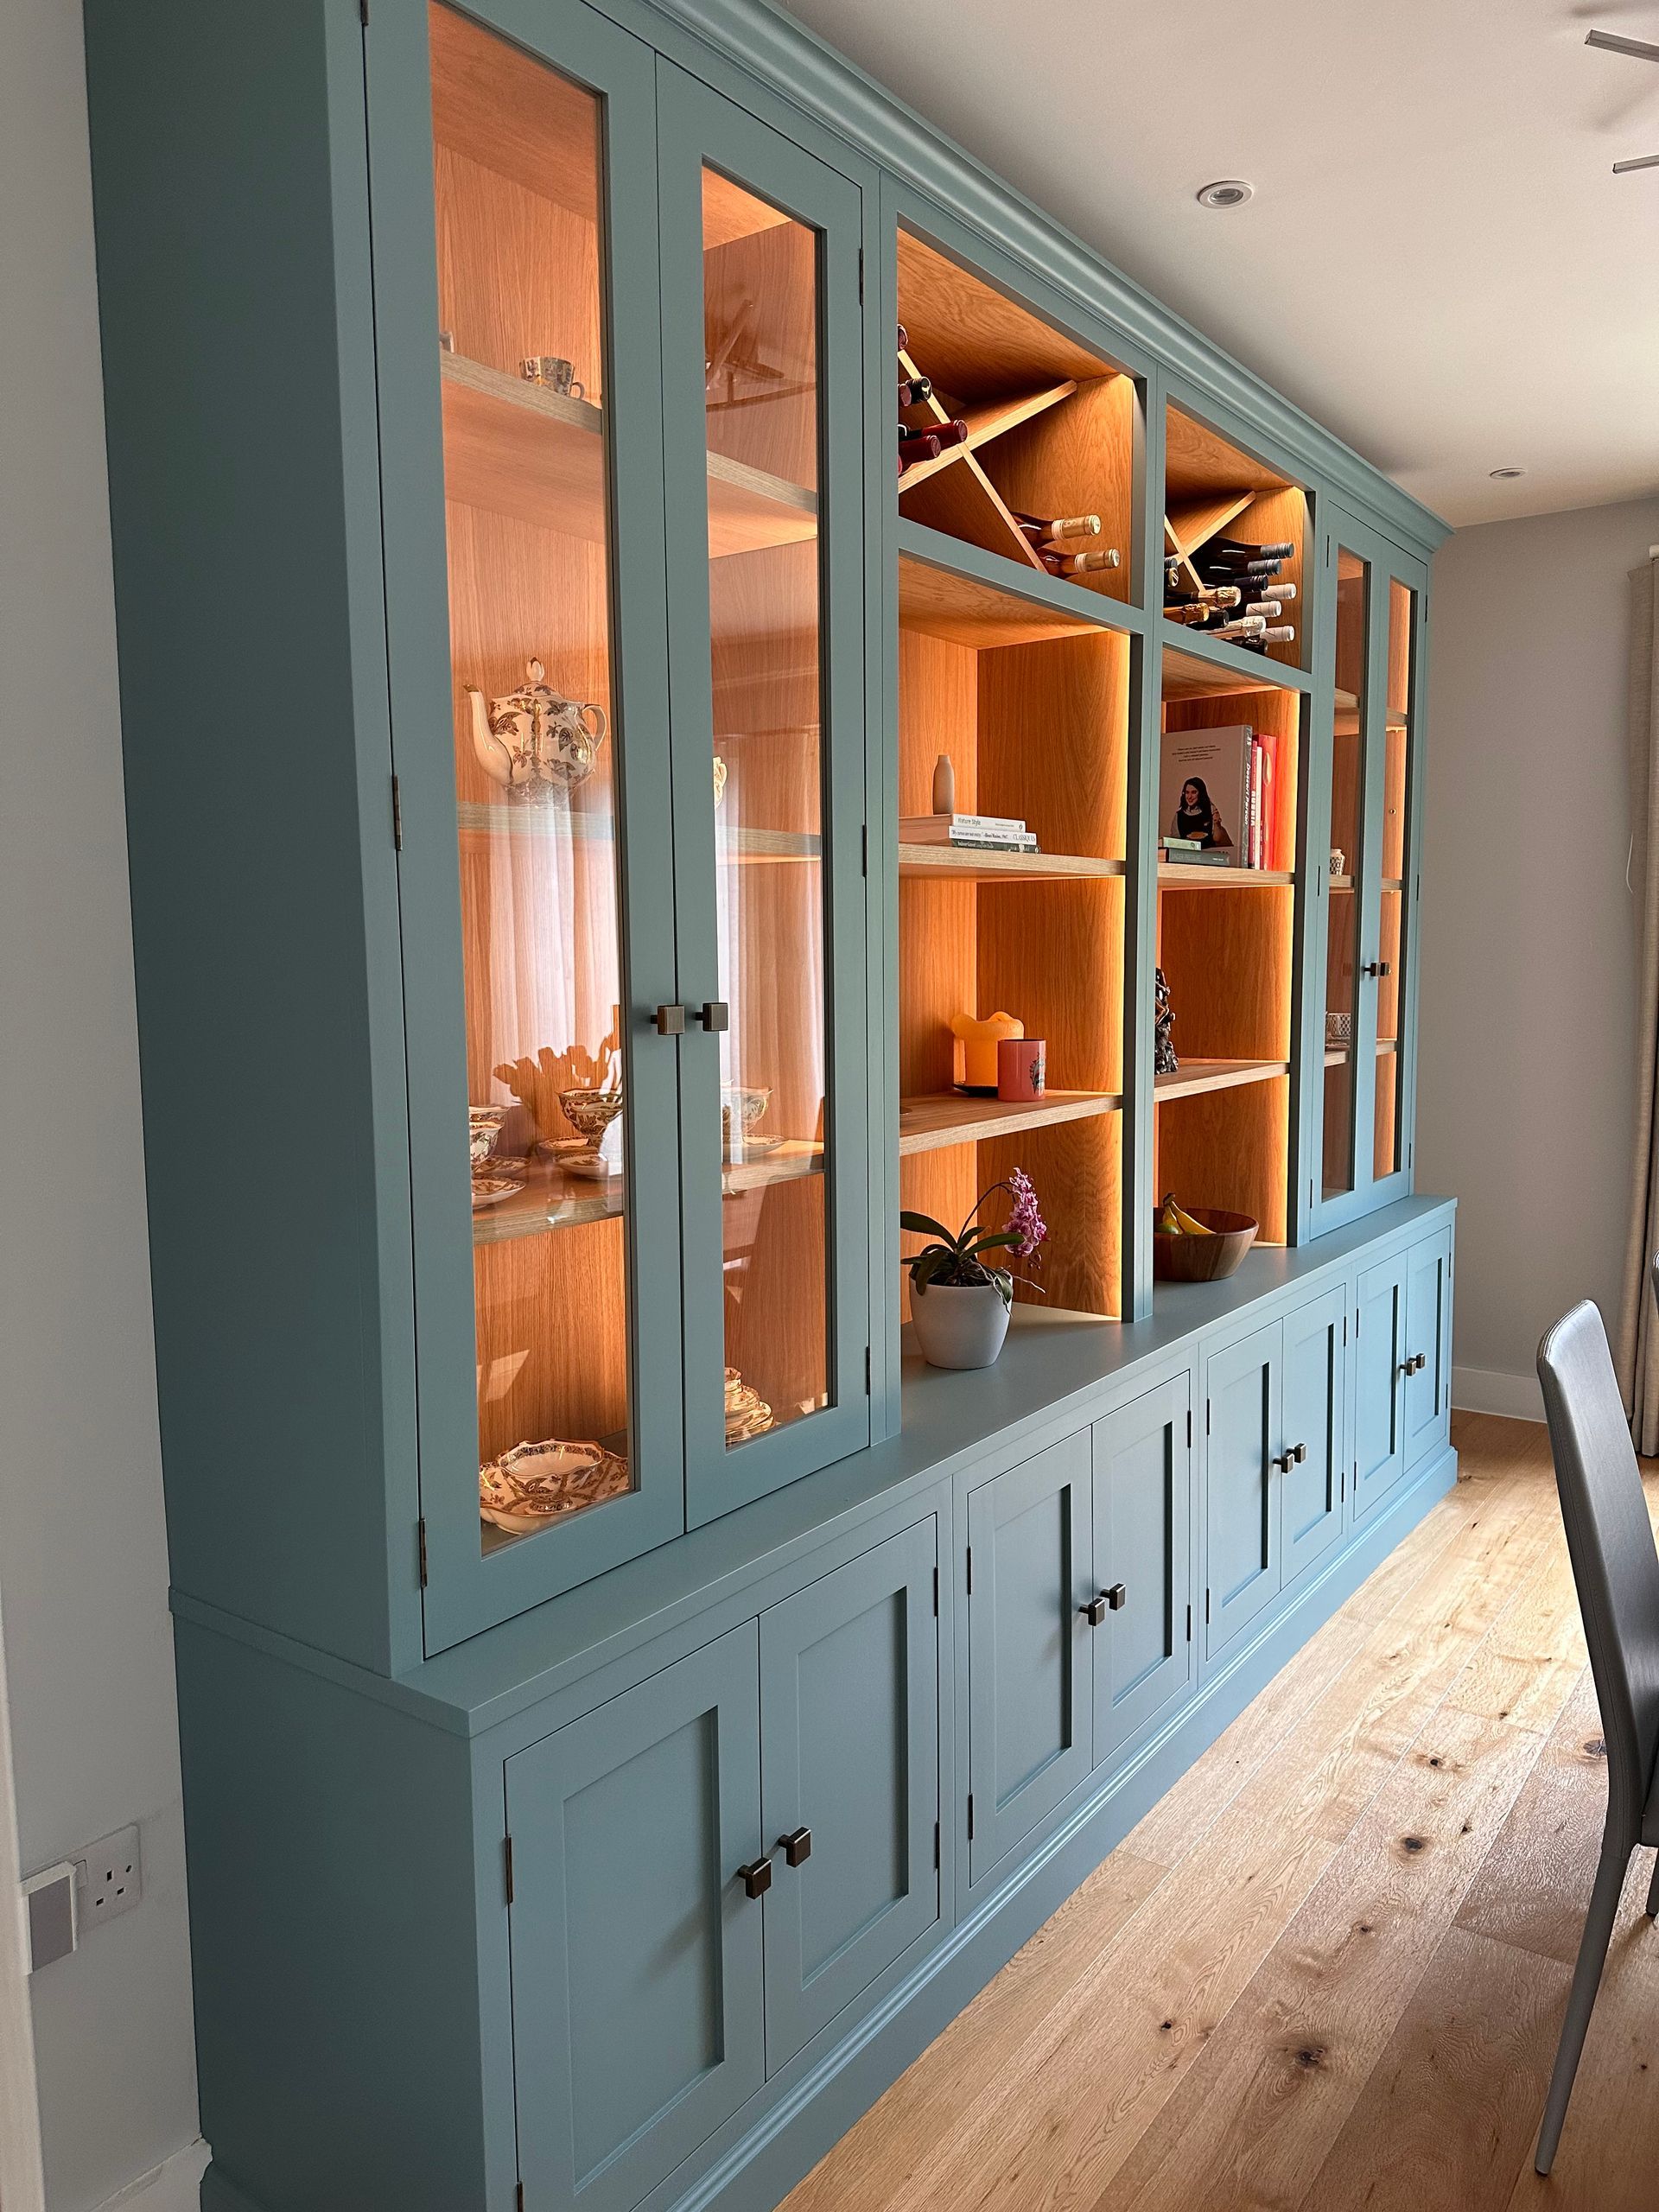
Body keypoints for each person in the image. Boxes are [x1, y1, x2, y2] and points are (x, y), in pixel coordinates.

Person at [1171, 775, 1232, 849]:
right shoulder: (1179, 815)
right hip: (1187, 853)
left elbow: (1217, 839)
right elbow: (1175, 842)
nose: (1189, 797)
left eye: (1193, 792)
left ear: (1201, 793)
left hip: (1208, 852)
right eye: (1187, 792)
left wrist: (1217, 823)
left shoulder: (1210, 810)